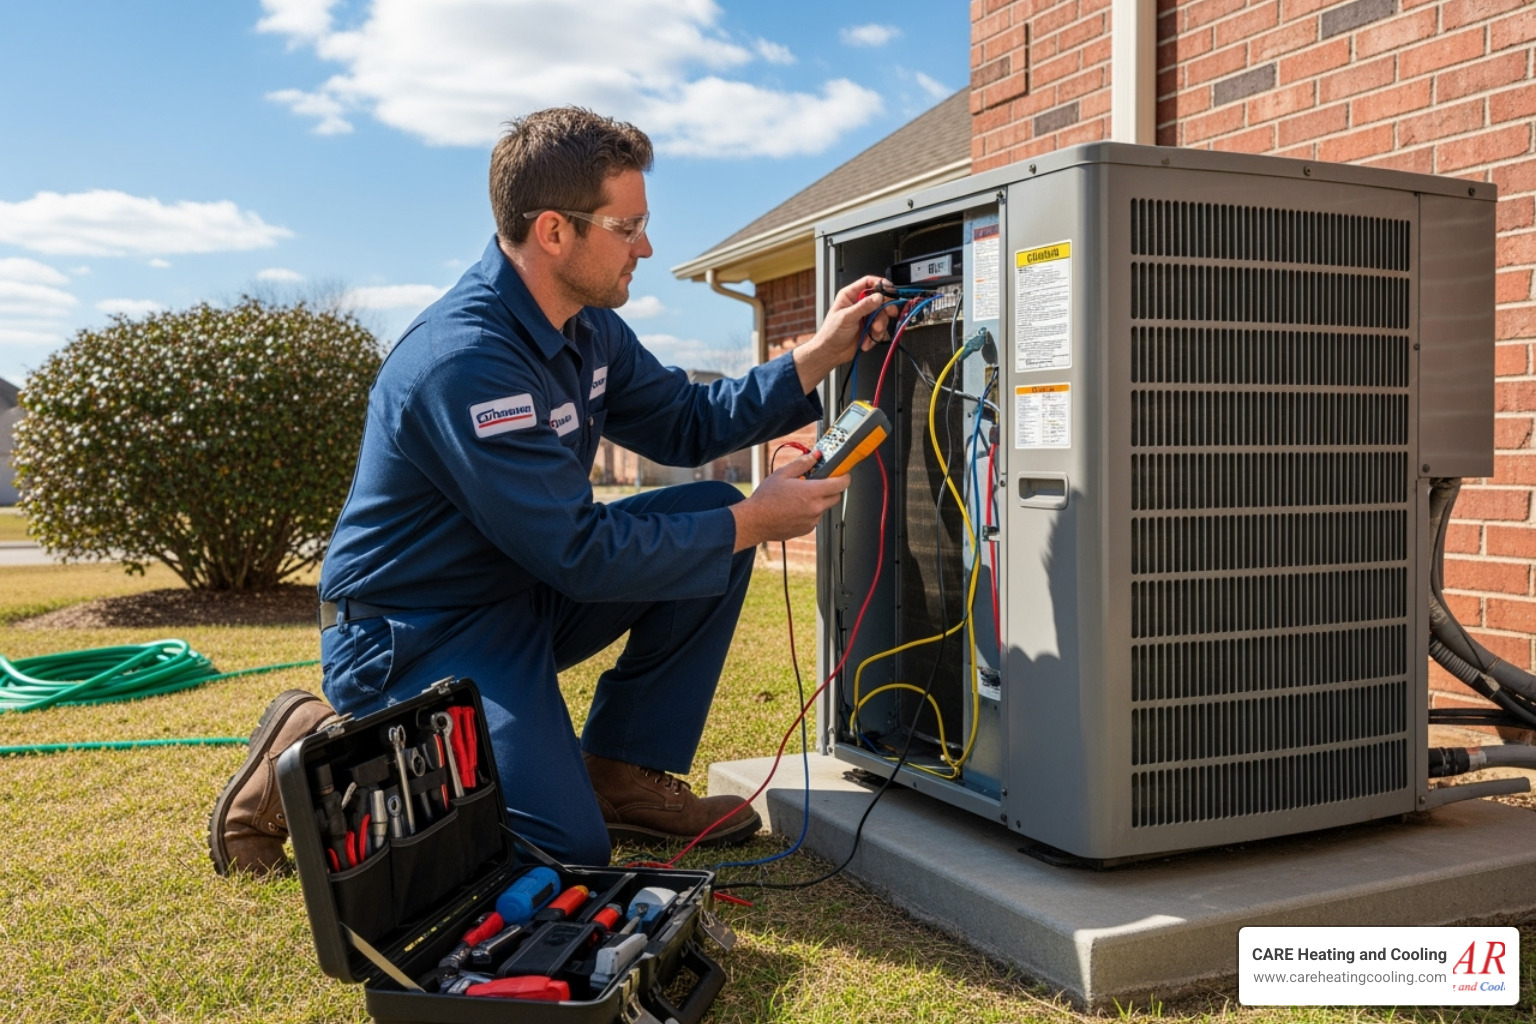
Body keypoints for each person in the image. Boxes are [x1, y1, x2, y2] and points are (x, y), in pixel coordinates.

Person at [208, 106, 894, 874]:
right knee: (560, 850)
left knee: (710, 513)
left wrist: (819, 353)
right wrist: (757, 522)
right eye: (627, 227)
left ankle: (620, 775)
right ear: (554, 232)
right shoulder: (465, 361)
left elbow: (687, 421)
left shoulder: (587, 327)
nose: (645, 247)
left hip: (523, 592)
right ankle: (313, 745)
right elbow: (579, 552)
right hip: (417, 629)